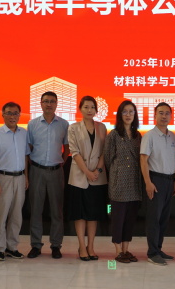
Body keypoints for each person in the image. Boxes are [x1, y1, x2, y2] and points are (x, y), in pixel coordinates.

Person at [26, 91, 69, 259]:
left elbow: (67, 148)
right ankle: (36, 245)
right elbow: (28, 148)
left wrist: (61, 162)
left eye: (52, 101)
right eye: (45, 101)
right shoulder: (32, 124)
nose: (49, 104)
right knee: (36, 210)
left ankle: (56, 245)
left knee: (57, 211)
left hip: (56, 171)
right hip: (36, 170)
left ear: (56, 104)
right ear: (41, 104)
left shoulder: (64, 124)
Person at [0, 101, 30, 261]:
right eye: (9, 113)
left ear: (19, 115)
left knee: (17, 215)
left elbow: (25, 156)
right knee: (1, 215)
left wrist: (26, 176)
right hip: (2, 178)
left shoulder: (24, 133)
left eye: (15, 113)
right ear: (3, 115)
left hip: (20, 178)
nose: (12, 116)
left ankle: (12, 247)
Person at [67, 96, 108, 261]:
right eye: (86, 107)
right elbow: (74, 152)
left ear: (96, 110)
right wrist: (87, 172)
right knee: (80, 213)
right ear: (80, 109)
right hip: (79, 176)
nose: (89, 110)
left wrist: (97, 170)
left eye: (92, 107)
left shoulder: (102, 127)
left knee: (93, 213)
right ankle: (82, 246)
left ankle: (91, 246)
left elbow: (104, 151)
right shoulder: (73, 128)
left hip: (98, 176)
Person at [140, 102, 175, 266]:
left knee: (164, 218)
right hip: (155, 180)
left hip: (169, 181)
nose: (164, 116)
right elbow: (143, 160)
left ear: (171, 116)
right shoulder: (149, 136)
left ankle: (158, 248)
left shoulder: (173, 137)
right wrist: (148, 182)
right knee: (154, 219)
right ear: (155, 115)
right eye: (161, 113)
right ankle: (152, 252)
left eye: (167, 113)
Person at [104, 100, 142, 264]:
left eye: (131, 111)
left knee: (130, 218)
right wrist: (117, 172)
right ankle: (118, 251)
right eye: (125, 111)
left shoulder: (137, 135)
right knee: (118, 218)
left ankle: (126, 249)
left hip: (134, 182)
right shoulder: (113, 135)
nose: (128, 115)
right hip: (118, 182)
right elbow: (107, 159)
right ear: (120, 115)